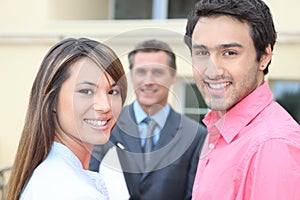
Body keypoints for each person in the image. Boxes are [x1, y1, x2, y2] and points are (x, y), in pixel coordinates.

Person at [184, 0, 300, 199]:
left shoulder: (272, 146)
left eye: (229, 53)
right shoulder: (217, 128)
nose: (213, 71)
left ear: (264, 56)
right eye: (202, 53)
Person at [5, 38, 127, 200]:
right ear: (52, 100)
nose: (105, 106)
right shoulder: (70, 189)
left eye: (112, 92)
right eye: (86, 91)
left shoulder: (54, 175)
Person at [90, 39, 207, 200]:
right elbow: (90, 183)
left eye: (158, 72)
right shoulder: (107, 124)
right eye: (141, 72)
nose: (148, 81)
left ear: (173, 76)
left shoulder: (195, 136)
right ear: (131, 76)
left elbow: (193, 195)